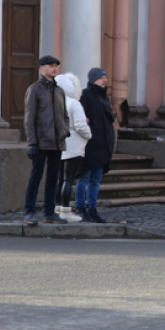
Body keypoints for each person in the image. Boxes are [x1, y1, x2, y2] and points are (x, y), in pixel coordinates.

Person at [23, 55, 69, 226]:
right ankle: (29, 212)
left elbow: (64, 116)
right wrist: (32, 142)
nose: (54, 68)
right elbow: (30, 117)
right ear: (42, 68)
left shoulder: (59, 91)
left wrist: (64, 131)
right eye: (50, 65)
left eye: (56, 65)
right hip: (41, 141)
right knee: (36, 176)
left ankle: (49, 212)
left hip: (57, 142)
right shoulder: (34, 89)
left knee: (53, 179)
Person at [75, 67, 116, 224]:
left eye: (105, 77)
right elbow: (81, 118)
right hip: (89, 144)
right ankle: (80, 208)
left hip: (103, 145)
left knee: (96, 180)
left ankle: (92, 209)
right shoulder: (86, 95)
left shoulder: (104, 97)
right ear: (93, 80)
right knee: (84, 177)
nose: (105, 80)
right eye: (101, 78)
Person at [54, 72, 92, 222]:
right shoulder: (74, 103)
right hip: (74, 144)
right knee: (68, 179)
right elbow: (80, 125)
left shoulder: (55, 102)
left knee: (59, 178)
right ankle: (65, 209)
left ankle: (57, 207)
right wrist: (89, 135)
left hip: (58, 143)